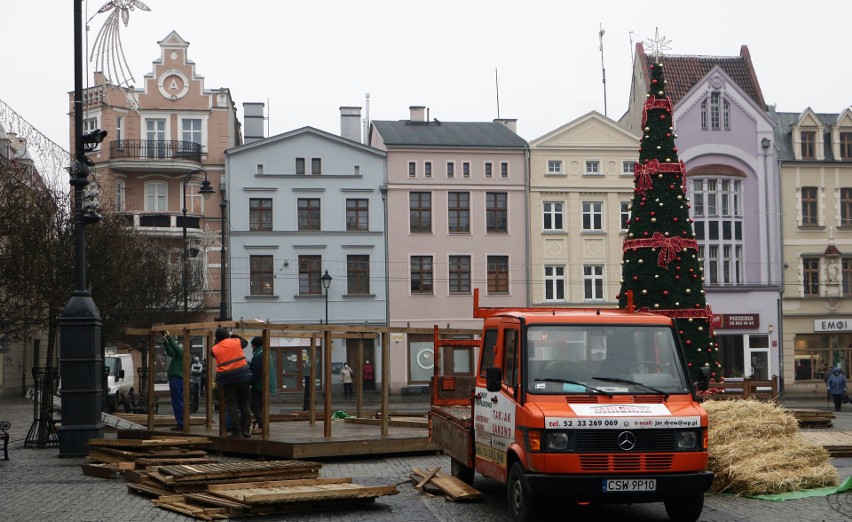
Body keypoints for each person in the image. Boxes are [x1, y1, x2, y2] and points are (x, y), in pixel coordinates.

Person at [212, 328, 252, 438]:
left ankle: (236, 431)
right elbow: (245, 342)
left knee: (232, 405)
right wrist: (233, 335)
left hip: (228, 380)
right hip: (243, 377)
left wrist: (218, 340)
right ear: (227, 335)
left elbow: (212, 352)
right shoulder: (235, 342)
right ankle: (246, 430)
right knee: (244, 404)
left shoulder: (215, 348)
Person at [248, 336, 277, 434]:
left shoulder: (259, 355)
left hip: (259, 386)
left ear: (256, 345)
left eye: (252, 346)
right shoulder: (265, 353)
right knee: (260, 406)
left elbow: (257, 372)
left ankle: (263, 427)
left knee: (254, 406)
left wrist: (250, 382)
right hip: (264, 385)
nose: (252, 348)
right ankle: (262, 426)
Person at [161, 331, 185, 431]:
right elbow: (171, 352)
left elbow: (175, 348)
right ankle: (181, 423)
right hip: (175, 380)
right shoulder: (178, 355)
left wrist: (169, 336)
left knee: (178, 402)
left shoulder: (183, 354)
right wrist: (166, 343)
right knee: (177, 402)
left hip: (177, 380)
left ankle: (181, 423)